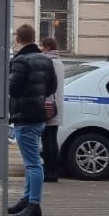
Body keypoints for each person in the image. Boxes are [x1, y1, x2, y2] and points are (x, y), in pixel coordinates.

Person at [7, 24, 57, 216]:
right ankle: (27, 199)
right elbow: (52, 86)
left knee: (33, 163)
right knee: (31, 162)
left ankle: (34, 204)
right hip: (39, 114)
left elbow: (13, 87)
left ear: (18, 40)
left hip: (24, 115)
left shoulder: (20, 61)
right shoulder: (45, 60)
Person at [39, 37, 66, 183]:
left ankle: (50, 171)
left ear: (47, 47)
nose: (40, 49)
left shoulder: (49, 62)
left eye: (41, 46)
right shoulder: (59, 63)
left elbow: (47, 85)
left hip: (49, 106)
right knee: (51, 139)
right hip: (56, 106)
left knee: (48, 140)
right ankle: (52, 170)